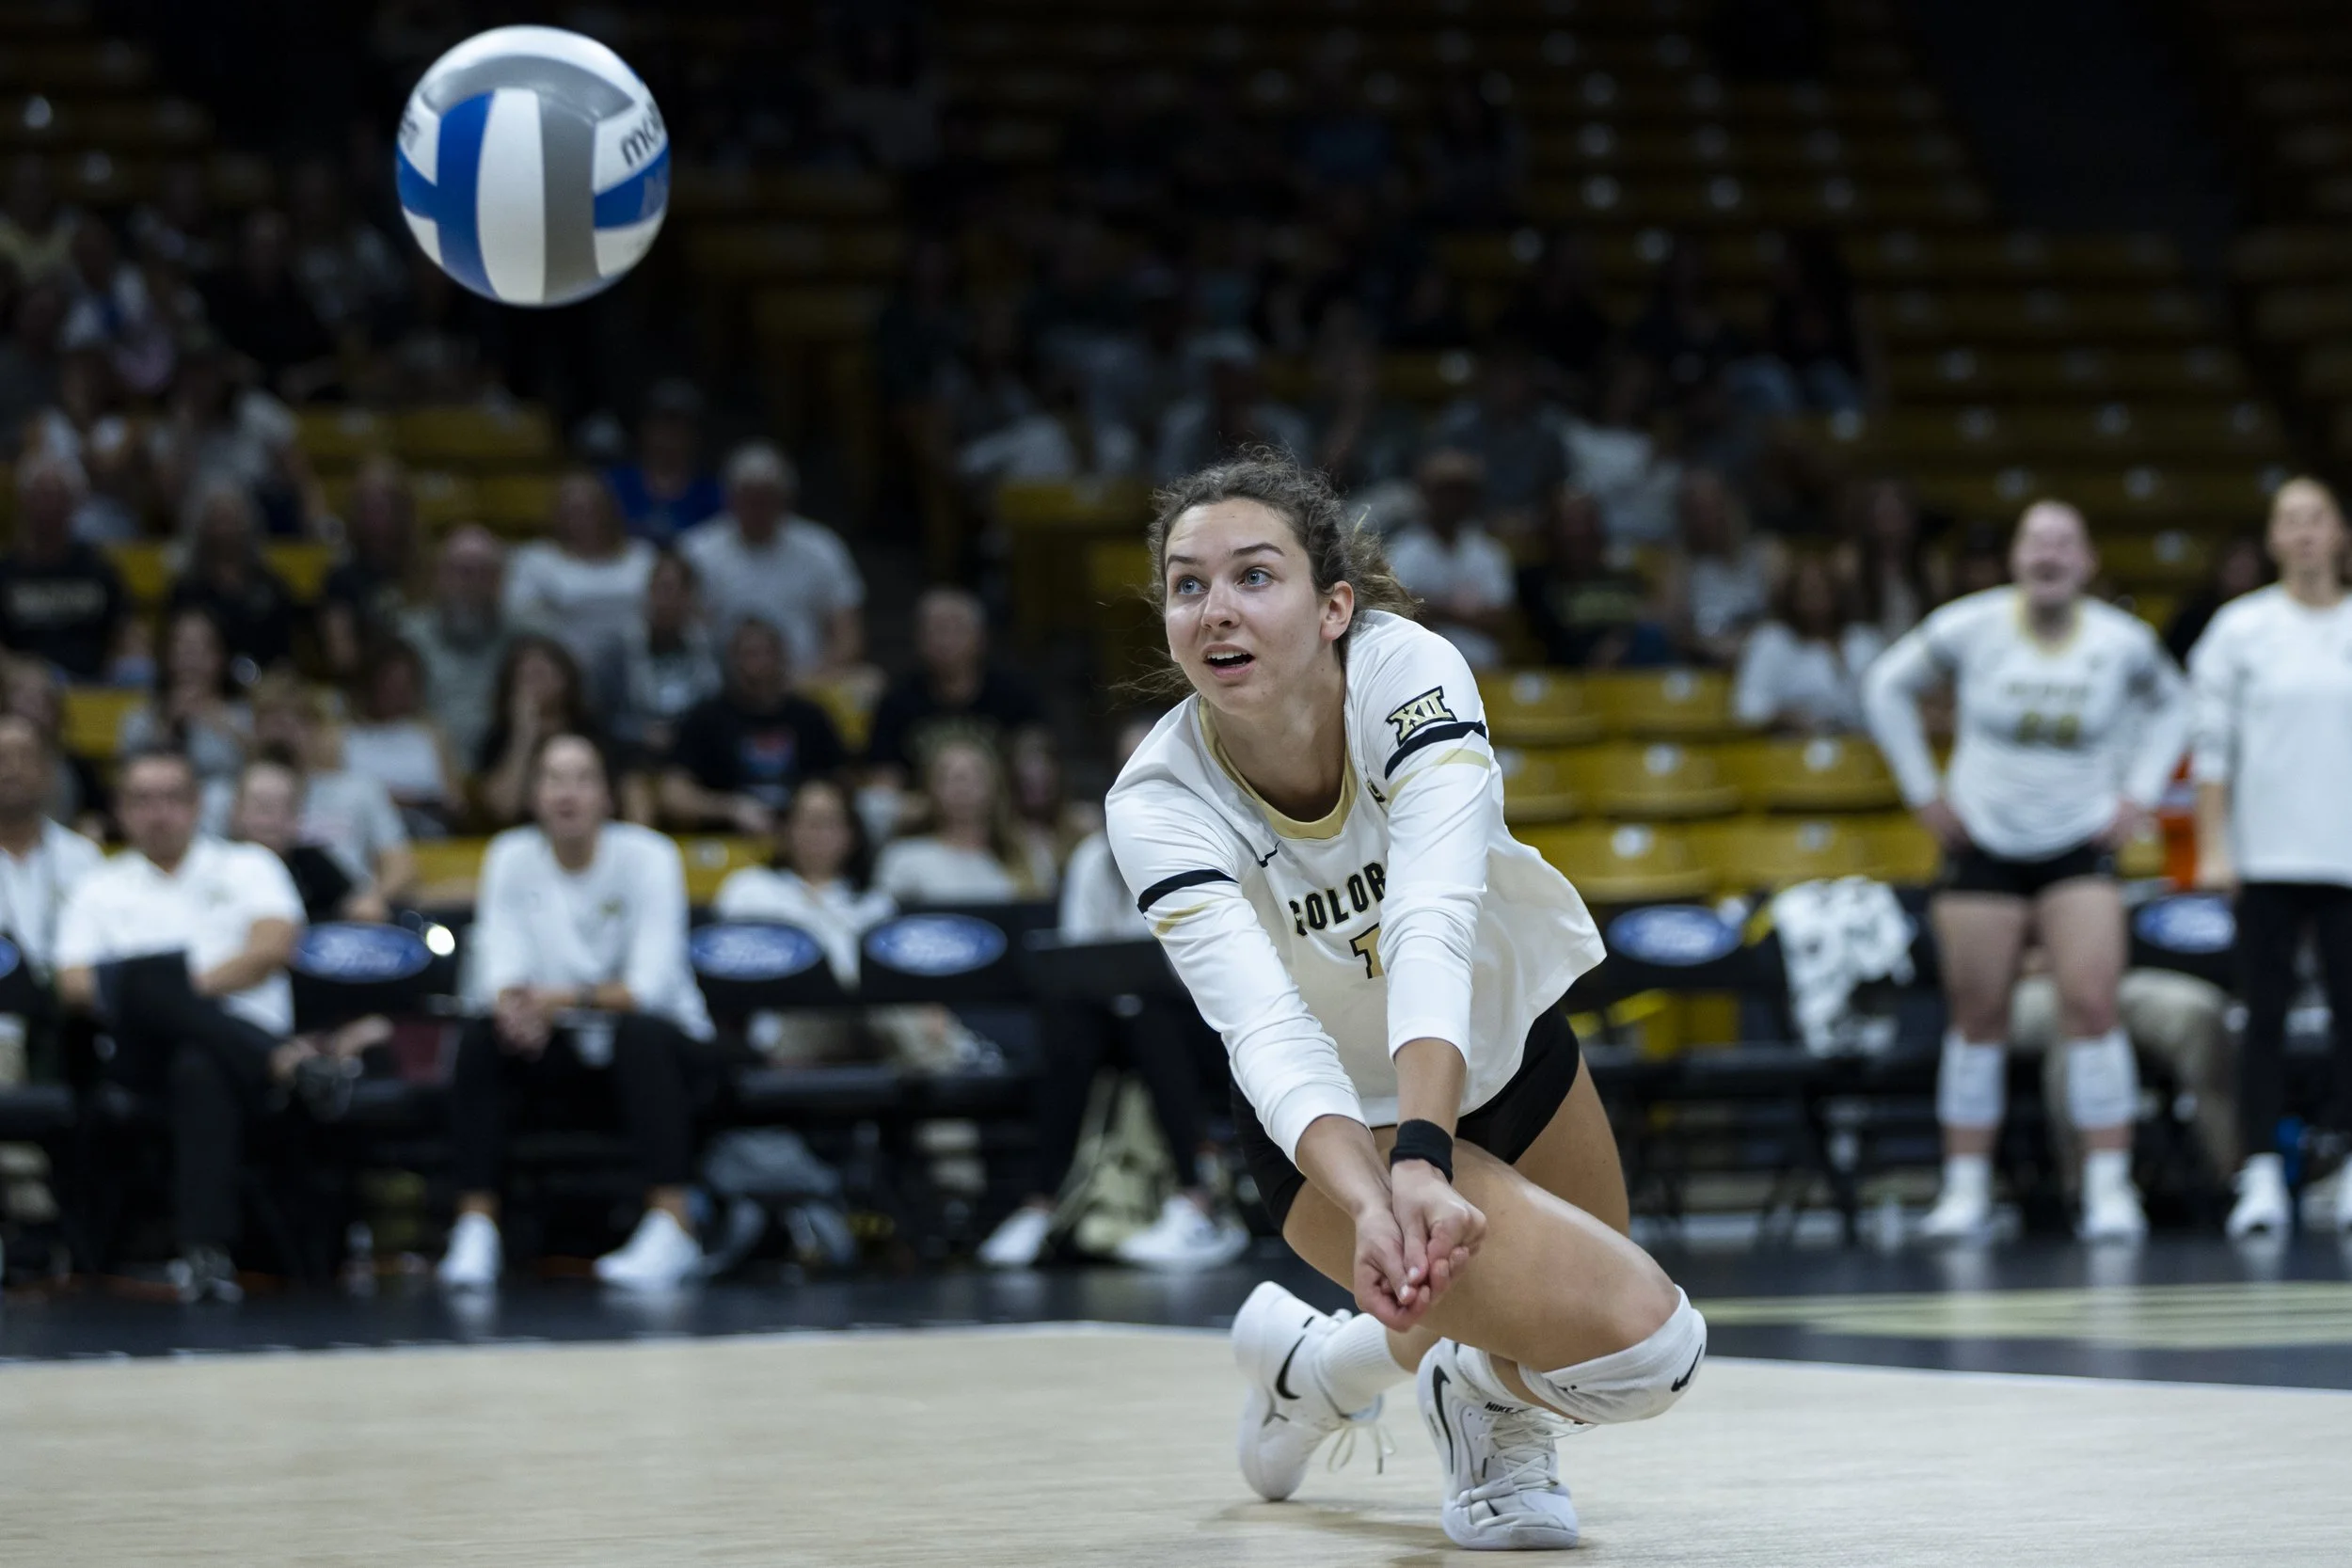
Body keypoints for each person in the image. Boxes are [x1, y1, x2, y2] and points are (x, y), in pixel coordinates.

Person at [1108, 454, 1703, 1548]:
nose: (1216, 610)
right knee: (1649, 1347)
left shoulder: (1411, 672)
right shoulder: (1155, 802)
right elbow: (1265, 1029)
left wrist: (1427, 1151)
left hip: (1498, 1049)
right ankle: (1441, 1400)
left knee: (1583, 1351)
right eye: (1187, 585)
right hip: (1334, 1115)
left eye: (1253, 575)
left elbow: (1433, 919)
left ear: (1335, 605)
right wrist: (1379, 1192)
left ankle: (1328, 1369)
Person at [1862, 499, 2192, 1243]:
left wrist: (2138, 793)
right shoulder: (1971, 624)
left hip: (2080, 847)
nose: (2048, 554)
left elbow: (2178, 707)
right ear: (2016, 558)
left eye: (2064, 543)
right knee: (1979, 1016)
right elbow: (1885, 685)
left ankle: (2110, 1190)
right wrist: (1923, 790)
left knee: (2094, 1007)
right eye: (2035, 541)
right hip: (1984, 846)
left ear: (2087, 562)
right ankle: (1966, 1191)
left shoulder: (2122, 640)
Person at [437, 733, 714, 1292]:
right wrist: (517, 1010)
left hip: (671, 1056)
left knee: (639, 1035)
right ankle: (475, 1226)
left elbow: (649, 989)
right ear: (533, 794)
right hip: (566, 1054)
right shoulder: (510, 856)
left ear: (608, 796)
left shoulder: (649, 857)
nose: (568, 793)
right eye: (553, 778)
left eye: (583, 778)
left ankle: (673, 1225)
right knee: (481, 1038)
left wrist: (555, 1000)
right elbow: (501, 970)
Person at [978, 715, 1248, 1273]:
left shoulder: (1217, 840)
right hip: (1115, 1022)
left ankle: (1199, 1202)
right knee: (1073, 1024)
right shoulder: (1090, 858)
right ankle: (1042, 1201)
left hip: (1206, 1023)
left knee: (1152, 1015)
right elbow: (1079, 964)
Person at [55, 747, 307, 1303]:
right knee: (146, 983)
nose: (158, 812)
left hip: (227, 1065)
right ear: (120, 810)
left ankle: (205, 1255)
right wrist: (155, 994)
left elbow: (274, 946)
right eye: (142, 800)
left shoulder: (248, 865)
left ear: (197, 805)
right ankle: (288, 1061)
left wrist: (166, 994)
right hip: (136, 1059)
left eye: (172, 797)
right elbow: (72, 985)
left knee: (197, 1058)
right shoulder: (99, 885)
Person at [2188, 478, 2352, 1236]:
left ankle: (2348, 1167)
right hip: (2267, 858)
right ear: (2272, 538)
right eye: (2290, 520)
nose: (2305, 532)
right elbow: (2212, 750)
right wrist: (2217, 847)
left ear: (2340, 533)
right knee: (2264, 1020)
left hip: (2346, 857)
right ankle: (2259, 1170)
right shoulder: (2240, 628)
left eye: (2316, 518)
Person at [710, 775, 895, 1063]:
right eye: (808, 821)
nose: (818, 833)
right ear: (786, 829)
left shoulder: (874, 903)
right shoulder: (750, 889)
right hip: (787, 1021)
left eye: (829, 822)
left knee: (910, 1017)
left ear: (851, 835)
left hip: (871, 1018)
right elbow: (731, 971)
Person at [0, 714, 103, 1227]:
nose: (11, 770)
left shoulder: (82, 858)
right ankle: (27, 1200)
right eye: (1, 758)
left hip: (72, 1013)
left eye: (23, 758)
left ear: (47, 772)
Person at [676, 442, 866, 682]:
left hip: (806, 683)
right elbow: (680, 629)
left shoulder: (822, 547)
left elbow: (849, 636)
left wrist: (811, 679)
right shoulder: (696, 551)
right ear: (729, 497)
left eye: (767, 497)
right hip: (721, 687)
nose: (758, 507)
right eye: (749, 497)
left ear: (786, 498)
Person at [659, 618, 847, 835]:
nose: (757, 665)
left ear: (783, 657)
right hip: (728, 838)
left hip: (805, 836)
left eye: (766, 653)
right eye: (748, 654)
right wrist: (730, 808)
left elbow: (840, 787)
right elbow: (672, 795)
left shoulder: (810, 718)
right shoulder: (705, 719)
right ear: (732, 660)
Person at [864, 587, 1042, 790]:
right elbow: (883, 784)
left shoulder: (1015, 697)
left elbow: (1036, 767)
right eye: (936, 630)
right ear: (918, 639)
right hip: (923, 815)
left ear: (981, 638)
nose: (945, 641)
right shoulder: (895, 703)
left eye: (956, 629)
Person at [503, 470, 655, 701]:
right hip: (567, 674)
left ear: (608, 511)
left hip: (639, 668)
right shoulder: (535, 560)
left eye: (591, 509)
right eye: (573, 510)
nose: (583, 517)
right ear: (558, 514)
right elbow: (524, 620)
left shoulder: (643, 556)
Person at [874, 736, 1055, 903]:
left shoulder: (1026, 854)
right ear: (930, 789)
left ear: (995, 785)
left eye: (973, 776)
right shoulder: (904, 858)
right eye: (948, 777)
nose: (962, 787)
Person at [0, 451, 130, 679]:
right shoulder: (6, 573)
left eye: (57, 496)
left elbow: (125, 630)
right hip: (23, 689)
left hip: (94, 687)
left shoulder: (98, 569)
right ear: (24, 500)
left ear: (73, 504)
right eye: (40, 495)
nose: (48, 506)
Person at [1515, 485, 1675, 670]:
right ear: (1551, 529)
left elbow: (1660, 618)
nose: (1578, 531)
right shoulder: (1534, 581)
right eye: (1568, 523)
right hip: (1568, 680)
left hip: (1636, 674)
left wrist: (1620, 639)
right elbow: (1552, 639)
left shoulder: (1626, 575)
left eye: (1585, 521)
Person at [1385, 448, 1515, 671]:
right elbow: (1399, 614)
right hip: (1420, 670)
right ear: (1426, 494)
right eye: (1444, 491)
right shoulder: (1403, 550)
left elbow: (1501, 620)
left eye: (1460, 491)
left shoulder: (1489, 552)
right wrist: (1465, 613)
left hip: (1483, 671)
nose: (1452, 500)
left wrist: (1433, 607)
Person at [397, 527, 514, 766]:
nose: (471, 583)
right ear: (439, 576)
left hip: (507, 762)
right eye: (461, 571)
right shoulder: (407, 637)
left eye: (483, 572)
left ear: (500, 580)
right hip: (425, 762)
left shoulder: (526, 638)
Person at [230, 750, 388, 925]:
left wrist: (366, 905)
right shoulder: (212, 864)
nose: (270, 820)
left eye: (284, 808)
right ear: (236, 812)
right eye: (261, 806)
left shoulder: (314, 863)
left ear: (298, 817)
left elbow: (361, 905)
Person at [1732, 554, 1886, 734]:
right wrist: (1786, 717)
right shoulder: (1771, 641)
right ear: (1792, 596)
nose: (1816, 601)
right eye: (1808, 592)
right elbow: (1747, 707)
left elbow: (1886, 697)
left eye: (1823, 591)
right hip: (1792, 749)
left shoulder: (1864, 641)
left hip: (1861, 746)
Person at [167, 482, 299, 673]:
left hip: (266, 691)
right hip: (204, 688)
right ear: (203, 526)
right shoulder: (187, 590)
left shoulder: (271, 586)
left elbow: (285, 656)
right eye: (218, 520)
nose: (225, 530)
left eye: (231, 519)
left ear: (248, 523)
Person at [472, 635, 601, 830]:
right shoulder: (497, 738)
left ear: (565, 679)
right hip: (518, 838)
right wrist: (523, 737)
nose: (534, 687)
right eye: (525, 678)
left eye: (541, 674)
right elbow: (503, 808)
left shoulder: (590, 733)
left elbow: (605, 802)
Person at [342, 636, 464, 835]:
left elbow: (456, 802)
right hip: (363, 829)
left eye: (405, 683)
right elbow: (332, 800)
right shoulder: (341, 736)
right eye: (389, 683)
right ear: (370, 683)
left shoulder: (431, 733)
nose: (397, 692)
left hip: (427, 830)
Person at [118, 607, 250, 787]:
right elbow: (127, 774)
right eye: (182, 647)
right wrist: (165, 726)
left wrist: (220, 723)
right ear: (167, 656)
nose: (191, 659)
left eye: (202, 648)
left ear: (221, 657)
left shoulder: (242, 716)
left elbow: (253, 773)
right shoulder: (141, 717)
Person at [316, 456, 421, 684]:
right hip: (368, 690)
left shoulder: (426, 572)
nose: (376, 515)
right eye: (367, 505)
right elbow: (341, 655)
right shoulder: (340, 579)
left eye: (385, 504)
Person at [1660, 469, 1775, 666]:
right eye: (1697, 510)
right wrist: (1709, 646)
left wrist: (1749, 642)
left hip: (1763, 656)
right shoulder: (1682, 565)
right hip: (1704, 659)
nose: (1707, 518)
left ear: (1731, 505)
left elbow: (1786, 618)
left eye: (1713, 506)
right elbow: (1671, 627)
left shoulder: (1768, 553)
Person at [613, 549, 721, 754]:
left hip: (701, 754)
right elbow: (604, 717)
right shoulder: (617, 652)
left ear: (691, 597)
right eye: (659, 589)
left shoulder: (713, 649)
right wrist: (639, 732)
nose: (665, 599)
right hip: (637, 755)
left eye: (674, 590)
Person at [603, 379, 724, 546]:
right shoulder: (613, 486)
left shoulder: (713, 494)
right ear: (644, 430)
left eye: (678, 429)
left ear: (695, 436)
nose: (668, 439)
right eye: (661, 427)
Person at [2165, 533, 2270, 668]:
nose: (2240, 569)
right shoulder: (2195, 614)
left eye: (2248, 563)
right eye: (2235, 561)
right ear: (2220, 566)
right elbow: (2171, 663)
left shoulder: (2274, 614)